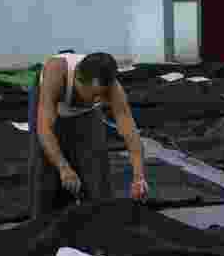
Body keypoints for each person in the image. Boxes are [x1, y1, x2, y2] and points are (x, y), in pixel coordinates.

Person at [29, 52, 148, 219]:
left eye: (103, 95)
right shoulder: (55, 73)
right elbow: (44, 129)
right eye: (94, 95)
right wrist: (63, 167)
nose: (99, 99)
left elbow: (130, 132)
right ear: (78, 80)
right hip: (51, 105)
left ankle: (98, 221)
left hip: (85, 113)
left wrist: (138, 177)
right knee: (46, 168)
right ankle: (45, 220)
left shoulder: (112, 88)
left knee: (95, 167)